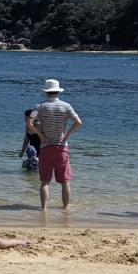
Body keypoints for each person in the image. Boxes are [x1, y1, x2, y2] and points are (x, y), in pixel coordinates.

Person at [27, 79, 83, 210]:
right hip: (62, 147)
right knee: (65, 182)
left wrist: (40, 135)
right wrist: (67, 135)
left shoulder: (39, 106)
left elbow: (29, 122)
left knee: (45, 182)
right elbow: (78, 122)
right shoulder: (66, 106)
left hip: (46, 147)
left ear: (46, 92)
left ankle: (44, 209)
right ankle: (65, 209)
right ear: (58, 91)